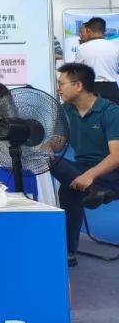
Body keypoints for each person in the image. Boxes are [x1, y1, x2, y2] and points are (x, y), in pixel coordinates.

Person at [52, 62, 119, 264]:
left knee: (68, 189)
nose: (58, 88)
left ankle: (68, 250)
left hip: (112, 172)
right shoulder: (65, 110)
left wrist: (90, 176)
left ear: (78, 85)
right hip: (82, 169)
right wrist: (39, 148)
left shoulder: (110, 111)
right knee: (50, 161)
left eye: (61, 84)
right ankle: (93, 190)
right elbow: (57, 143)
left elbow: (116, 157)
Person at [73, 17, 119, 104]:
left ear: (88, 30)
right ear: (104, 31)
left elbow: (77, 70)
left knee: (92, 113)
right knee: (114, 112)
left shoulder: (82, 48)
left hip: (91, 87)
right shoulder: (115, 47)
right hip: (112, 87)